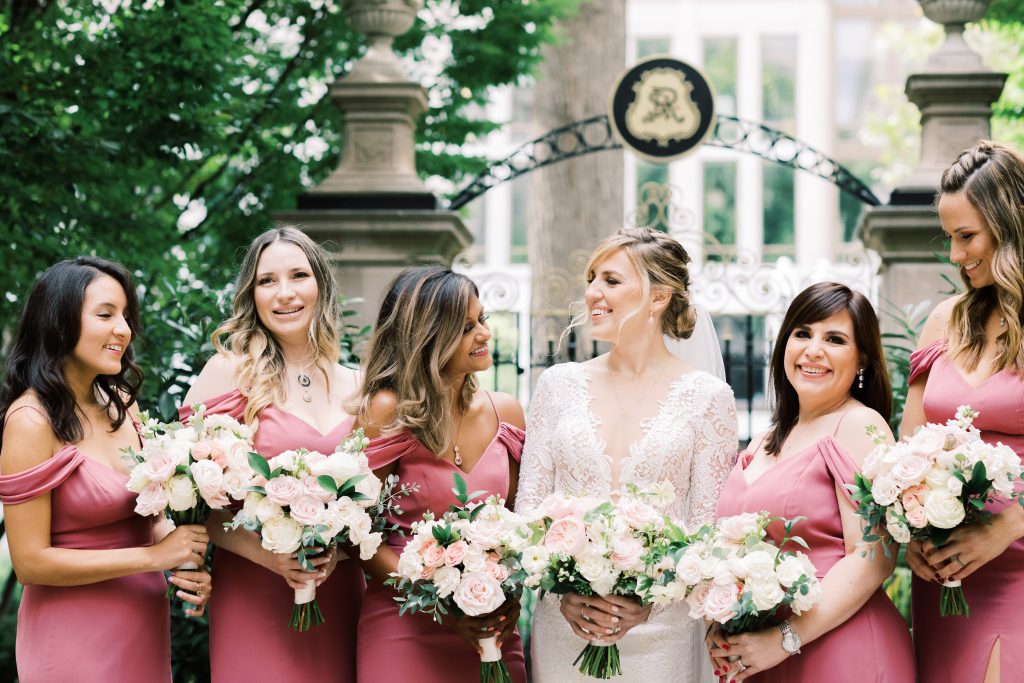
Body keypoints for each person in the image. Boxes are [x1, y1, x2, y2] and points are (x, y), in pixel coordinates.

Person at [516, 227, 737, 683]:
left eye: (611, 281)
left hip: (662, 633)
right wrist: (563, 593)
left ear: (658, 297)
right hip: (566, 626)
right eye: (591, 279)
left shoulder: (708, 398)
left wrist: (650, 601)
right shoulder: (557, 386)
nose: (592, 292)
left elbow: (708, 532)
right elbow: (528, 514)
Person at [0, 257, 211, 682]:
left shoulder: (122, 403)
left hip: (142, 626)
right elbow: (29, 563)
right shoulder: (30, 421)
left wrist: (184, 560)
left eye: (126, 316)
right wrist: (152, 557)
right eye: (106, 314)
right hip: (72, 635)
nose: (124, 329)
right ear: (60, 323)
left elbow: (148, 517)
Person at [708, 282, 915, 683]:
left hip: (839, 649)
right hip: (758, 652)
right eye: (803, 333)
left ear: (862, 359)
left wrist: (783, 639)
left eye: (834, 339)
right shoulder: (765, 439)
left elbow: (874, 557)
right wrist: (721, 619)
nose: (813, 350)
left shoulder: (859, 425)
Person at [183, 227, 362, 682]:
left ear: (321, 284)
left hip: (340, 594)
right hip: (253, 589)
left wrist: (337, 553)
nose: (284, 293)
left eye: (298, 275)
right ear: (252, 294)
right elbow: (188, 503)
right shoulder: (227, 374)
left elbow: (380, 507)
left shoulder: (359, 386)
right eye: (267, 281)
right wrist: (271, 557)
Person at [353, 266, 528, 683]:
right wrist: (439, 605)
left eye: (482, 319)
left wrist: (508, 596)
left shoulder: (506, 411)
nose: (485, 333)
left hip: (492, 626)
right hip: (403, 623)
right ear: (429, 336)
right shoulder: (386, 412)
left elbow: (521, 527)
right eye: (467, 327)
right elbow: (356, 532)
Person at [902, 140, 1024, 683]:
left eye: (967, 236)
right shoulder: (944, 321)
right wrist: (909, 538)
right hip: (945, 578)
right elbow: (906, 452)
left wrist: (1008, 527)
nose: (954, 255)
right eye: (949, 237)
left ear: (1009, 226)